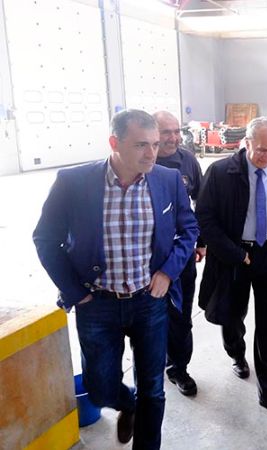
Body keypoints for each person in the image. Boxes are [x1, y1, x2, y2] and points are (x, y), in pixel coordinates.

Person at [33, 109, 199, 449]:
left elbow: (188, 230)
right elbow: (45, 239)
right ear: (114, 142)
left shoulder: (167, 180)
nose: (152, 153)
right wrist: (74, 291)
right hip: (97, 303)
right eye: (141, 145)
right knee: (99, 386)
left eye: (154, 144)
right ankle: (127, 404)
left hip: (149, 301)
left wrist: (168, 272)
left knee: (153, 387)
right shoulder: (74, 182)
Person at [196, 117, 267, 420]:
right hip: (234, 256)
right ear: (247, 143)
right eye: (262, 150)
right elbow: (204, 217)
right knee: (232, 315)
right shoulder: (220, 172)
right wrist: (234, 253)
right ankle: (236, 354)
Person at [152, 110, 205, 397]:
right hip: (146, 258)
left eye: (176, 131)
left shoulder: (187, 161)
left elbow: (203, 201)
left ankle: (178, 368)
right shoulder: (138, 162)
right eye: (165, 132)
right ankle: (150, 364)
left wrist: (200, 241)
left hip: (181, 253)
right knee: (147, 317)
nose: (173, 138)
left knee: (181, 316)